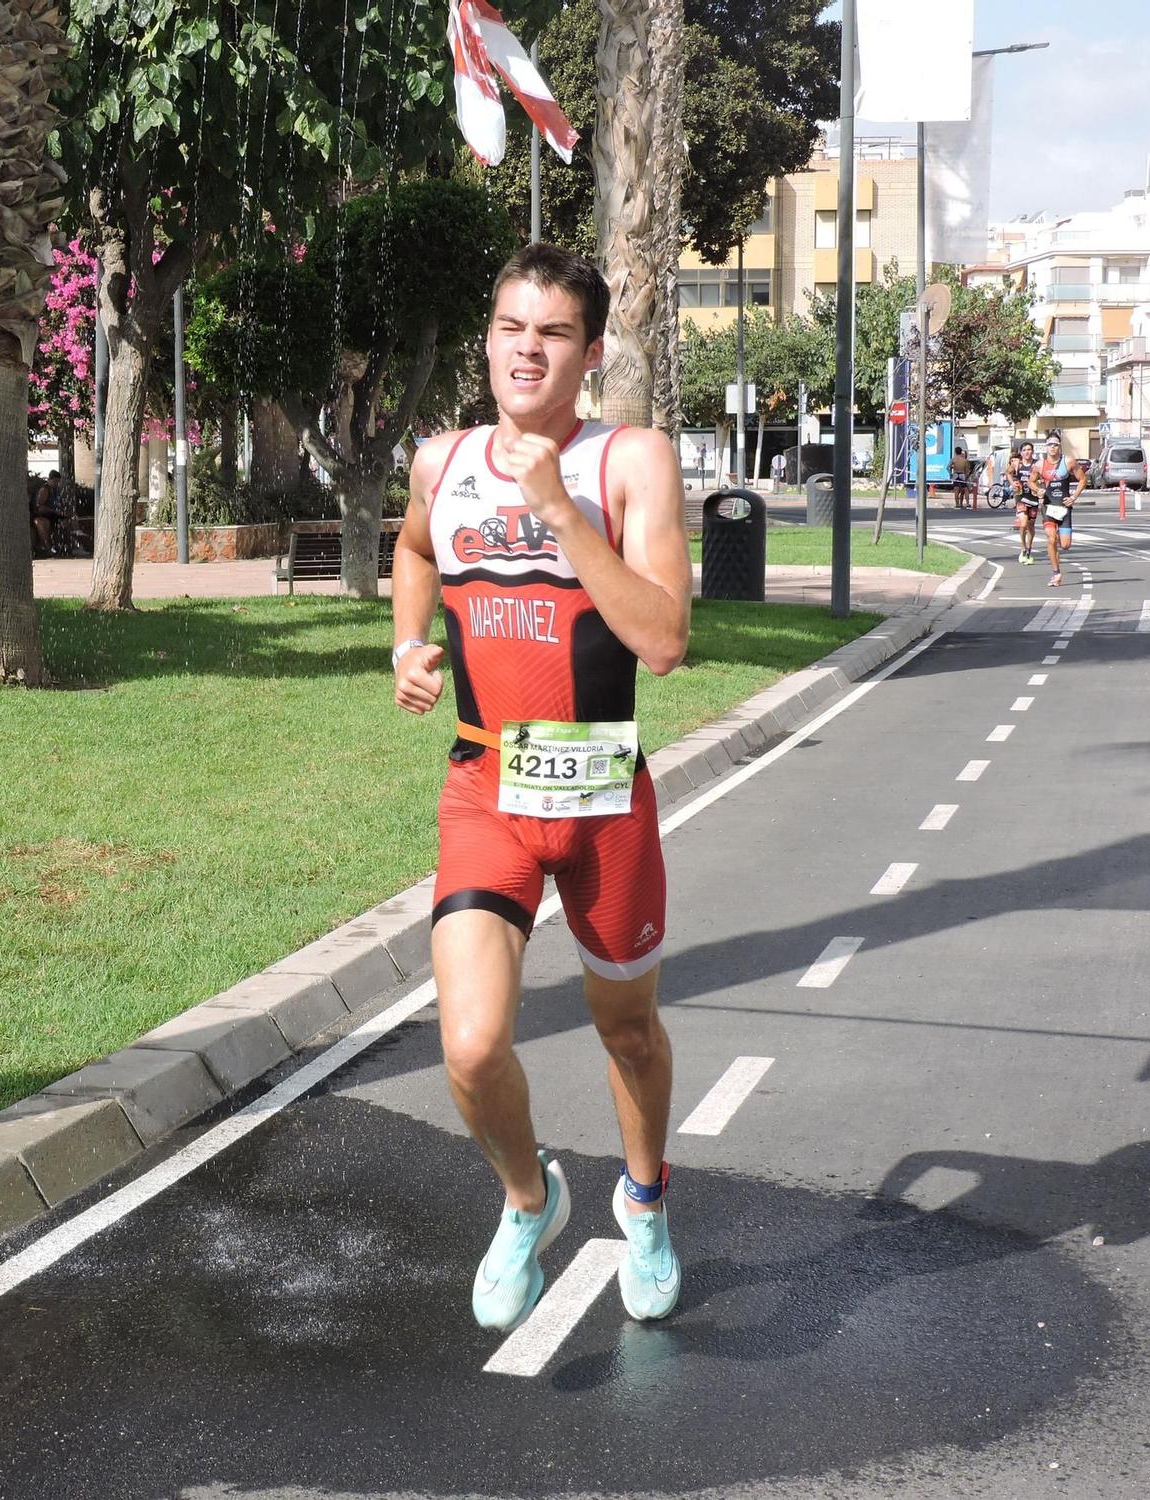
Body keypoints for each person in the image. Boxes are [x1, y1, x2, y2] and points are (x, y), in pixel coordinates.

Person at [390, 243, 691, 1332]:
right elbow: (416, 549)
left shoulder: (630, 461)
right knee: (469, 1046)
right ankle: (530, 1200)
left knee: (627, 1033)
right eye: (511, 327)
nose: (527, 348)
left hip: (604, 791)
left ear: (590, 351)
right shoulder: (440, 459)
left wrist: (559, 510)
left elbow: (661, 640)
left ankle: (644, 1204)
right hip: (484, 784)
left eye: (553, 332)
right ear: (487, 340)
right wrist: (405, 645)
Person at [1036, 435, 1082, 586]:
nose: (1053, 447)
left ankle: (1057, 560)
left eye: (1055, 445)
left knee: (1065, 545)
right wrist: (1038, 490)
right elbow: (1031, 481)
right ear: (1046, 447)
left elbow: (1083, 479)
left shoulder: (1068, 462)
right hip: (1048, 507)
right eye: (1050, 445)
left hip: (1064, 508)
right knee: (1050, 539)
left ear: (1059, 446)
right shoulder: (1040, 465)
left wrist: (1074, 496)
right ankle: (1056, 573)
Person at [1009, 439, 1041, 564]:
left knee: (1031, 526)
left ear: (1032, 452)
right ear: (1021, 453)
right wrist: (1012, 483)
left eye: (1029, 450)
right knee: (1023, 524)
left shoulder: (1037, 465)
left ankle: (1029, 548)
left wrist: (1040, 484)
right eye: (1024, 450)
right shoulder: (1017, 464)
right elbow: (1008, 473)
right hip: (1021, 496)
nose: (1027, 452)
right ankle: (1022, 548)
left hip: (1033, 497)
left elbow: (1044, 478)